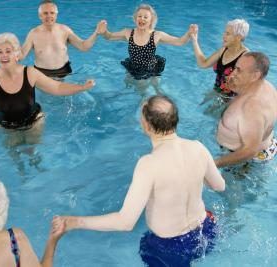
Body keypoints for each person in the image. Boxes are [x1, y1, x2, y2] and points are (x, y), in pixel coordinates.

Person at [53, 95, 226, 266]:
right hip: (206, 231)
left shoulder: (149, 164)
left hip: (170, 248)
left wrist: (74, 222)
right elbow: (219, 185)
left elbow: (125, 222)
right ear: (176, 120)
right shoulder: (197, 147)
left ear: (147, 126)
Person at [0, 32, 95, 131]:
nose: (4, 56)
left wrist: (82, 87)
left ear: (17, 54)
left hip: (34, 121)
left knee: (33, 155)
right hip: (6, 126)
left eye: (8, 51)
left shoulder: (29, 73)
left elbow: (57, 88)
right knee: (15, 157)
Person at [97, 4, 193, 80]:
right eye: (139, 16)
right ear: (135, 18)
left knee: (150, 90)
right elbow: (109, 37)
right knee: (127, 84)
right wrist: (104, 31)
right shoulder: (128, 33)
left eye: (145, 17)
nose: (142, 19)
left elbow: (180, 42)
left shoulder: (156, 35)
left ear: (151, 21)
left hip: (151, 68)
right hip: (133, 66)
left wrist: (189, 33)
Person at [215, 52, 277, 167]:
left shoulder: (252, 107)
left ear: (255, 76)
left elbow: (249, 151)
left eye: (239, 70)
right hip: (266, 145)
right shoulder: (267, 86)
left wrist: (213, 164)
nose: (233, 73)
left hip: (243, 161)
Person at [21, 0, 102, 78]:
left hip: (64, 71)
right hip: (41, 73)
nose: (49, 16)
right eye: (45, 13)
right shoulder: (33, 34)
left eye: (52, 13)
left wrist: (96, 33)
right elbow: (21, 56)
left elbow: (83, 46)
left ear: (56, 15)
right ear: (40, 16)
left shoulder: (65, 30)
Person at [191, 19, 249, 102]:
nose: (223, 36)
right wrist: (194, 40)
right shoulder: (223, 50)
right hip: (216, 92)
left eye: (228, 34)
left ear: (238, 37)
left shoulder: (245, 56)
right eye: (224, 32)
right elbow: (203, 64)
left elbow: (247, 85)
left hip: (230, 100)